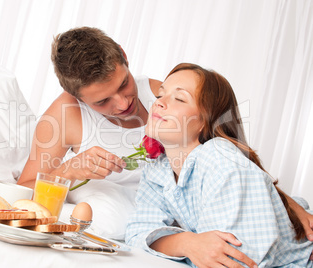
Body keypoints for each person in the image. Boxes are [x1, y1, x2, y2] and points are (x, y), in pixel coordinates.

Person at [17, 27, 313, 260]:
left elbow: (229, 154)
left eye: (123, 84)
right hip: (161, 225)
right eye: (102, 101)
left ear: (124, 55)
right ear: (78, 97)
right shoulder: (64, 115)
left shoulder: (164, 95)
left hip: (209, 220)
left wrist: (283, 203)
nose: (122, 103)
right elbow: (26, 185)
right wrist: (70, 170)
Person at [125, 63, 313, 267]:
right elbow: (137, 234)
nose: (158, 103)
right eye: (160, 95)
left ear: (206, 121)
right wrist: (187, 243)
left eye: (179, 98)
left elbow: (233, 260)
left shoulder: (220, 159)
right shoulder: (158, 169)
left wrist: (181, 244)